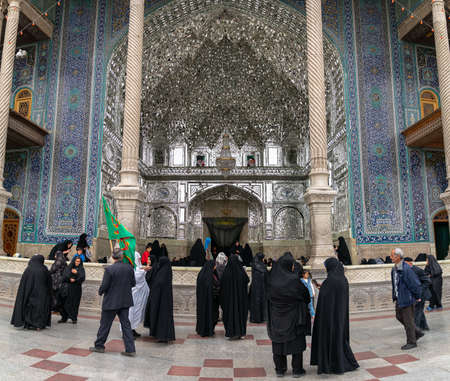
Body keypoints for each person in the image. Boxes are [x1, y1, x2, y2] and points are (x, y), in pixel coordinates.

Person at [311, 257, 359, 374]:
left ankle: (332, 364)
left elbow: (325, 299)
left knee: (331, 338)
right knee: (340, 338)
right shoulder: (343, 279)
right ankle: (343, 361)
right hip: (340, 316)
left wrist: (322, 289)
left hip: (329, 318)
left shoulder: (330, 281)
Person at [267, 252, 310, 378]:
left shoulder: (271, 279)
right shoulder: (293, 280)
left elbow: (267, 297)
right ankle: (297, 370)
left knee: (278, 343)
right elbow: (306, 296)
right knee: (296, 343)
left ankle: (280, 369)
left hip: (276, 318)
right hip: (294, 319)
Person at [90, 248, 136, 357]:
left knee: (105, 324)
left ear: (113, 257)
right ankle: (130, 349)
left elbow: (105, 285)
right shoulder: (129, 268)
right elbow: (133, 283)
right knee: (126, 325)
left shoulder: (110, 269)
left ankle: (99, 345)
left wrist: (100, 291)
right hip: (125, 301)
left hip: (111, 301)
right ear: (122, 256)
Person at [390, 248, 423, 350]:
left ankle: (412, 342)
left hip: (407, 298)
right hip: (399, 298)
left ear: (398, 257)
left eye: (392, 256)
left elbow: (414, 284)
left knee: (408, 321)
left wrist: (418, 296)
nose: (390, 257)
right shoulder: (394, 269)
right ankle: (416, 332)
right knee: (399, 316)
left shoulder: (406, 269)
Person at [11, 254, 52, 330]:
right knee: (40, 309)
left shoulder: (29, 269)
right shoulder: (44, 269)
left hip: (29, 293)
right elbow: (49, 283)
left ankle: (28, 324)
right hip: (42, 295)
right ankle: (38, 325)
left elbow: (23, 283)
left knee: (29, 308)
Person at [144, 256, 175, 342]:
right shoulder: (166, 271)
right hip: (164, 300)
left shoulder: (162, 273)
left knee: (162, 317)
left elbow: (157, 284)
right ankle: (162, 335)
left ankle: (162, 336)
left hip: (160, 300)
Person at [220, 254, 249, 339]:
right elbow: (247, 280)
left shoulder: (226, 272)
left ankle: (230, 332)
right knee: (240, 313)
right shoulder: (241, 272)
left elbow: (222, 286)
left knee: (229, 313)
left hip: (228, 301)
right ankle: (241, 332)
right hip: (241, 300)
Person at [126, 251, 150, 338]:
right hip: (133, 295)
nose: (140, 260)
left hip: (138, 296)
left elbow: (140, 270)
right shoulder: (131, 267)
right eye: (138, 258)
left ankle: (132, 329)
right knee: (130, 312)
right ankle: (127, 331)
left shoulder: (138, 267)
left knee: (136, 312)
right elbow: (136, 277)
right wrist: (145, 270)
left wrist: (144, 269)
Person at [404, 257, 431, 331]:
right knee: (419, 311)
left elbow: (427, 281)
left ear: (410, 263)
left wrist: (420, 289)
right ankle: (424, 326)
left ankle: (416, 329)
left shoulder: (417, 270)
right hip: (415, 294)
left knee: (417, 311)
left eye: (405, 263)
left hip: (421, 294)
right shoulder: (407, 270)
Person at [196, 260, 221, 337]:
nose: (215, 267)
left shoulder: (206, 274)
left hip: (210, 301)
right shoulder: (207, 275)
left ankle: (208, 330)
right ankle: (205, 331)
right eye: (214, 265)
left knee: (211, 315)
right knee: (208, 315)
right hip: (209, 301)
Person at [60, 255, 85, 324]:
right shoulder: (69, 268)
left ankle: (74, 318)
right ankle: (64, 317)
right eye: (76, 261)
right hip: (68, 288)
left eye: (79, 261)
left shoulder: (81, 269)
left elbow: (82, 277)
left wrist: (76, 274)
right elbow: (64, 276)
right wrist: (69, 278)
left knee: (74, 304)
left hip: (76, 289)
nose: (77, 263)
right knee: (65, 303)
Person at [249, 252, 267, 323]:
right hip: (260, 287)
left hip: (256, 288)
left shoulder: (254, 265)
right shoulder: (262, 266)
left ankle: (256, 318)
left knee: (256, 302)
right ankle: (261, 318)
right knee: (259, 302)